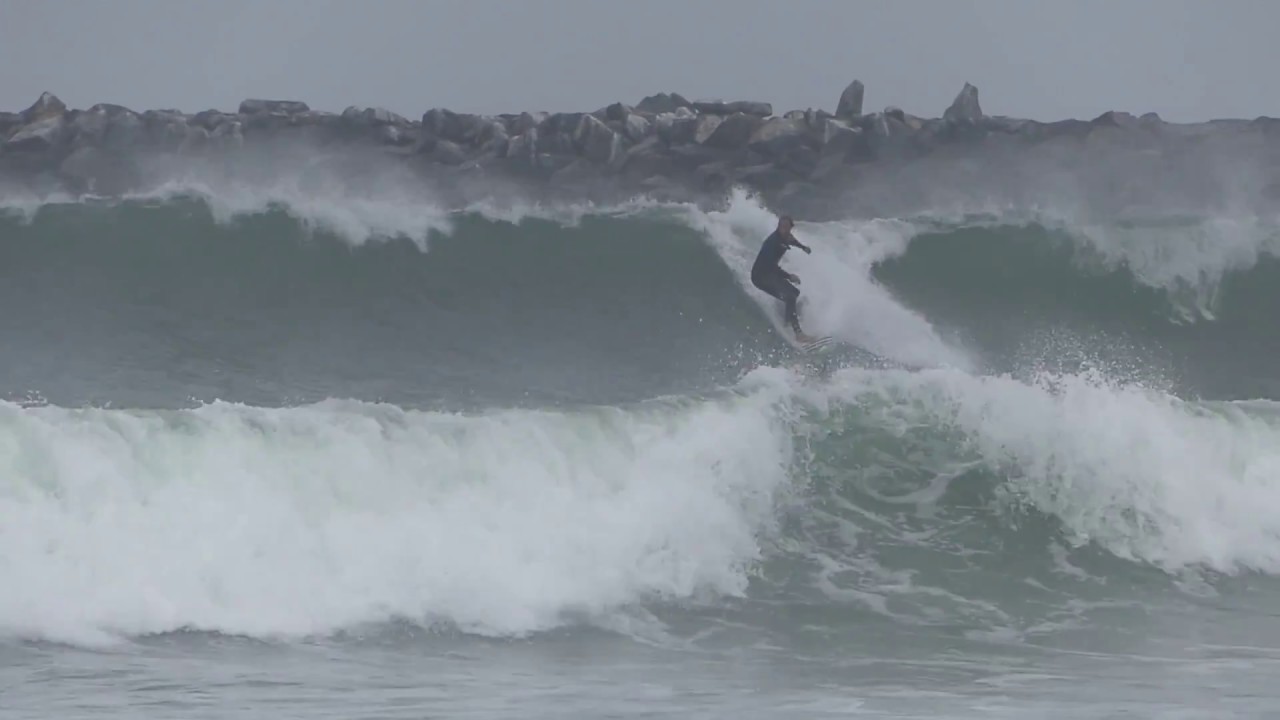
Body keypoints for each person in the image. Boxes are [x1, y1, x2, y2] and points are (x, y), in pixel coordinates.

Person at [751, 215, 815, 343]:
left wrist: (803, 248)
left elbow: (792, 240)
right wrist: (789, 276)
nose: (785, 230)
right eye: (782, 227)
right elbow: (770, 266)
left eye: (787, 228)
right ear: (779, 227)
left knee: (795, 293)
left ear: (790, 228)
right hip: (760, 276)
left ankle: (787, 322)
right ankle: (798, 334)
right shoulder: (772, 242)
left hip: (769, 274)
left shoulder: (786, 237)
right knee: (790, 296)